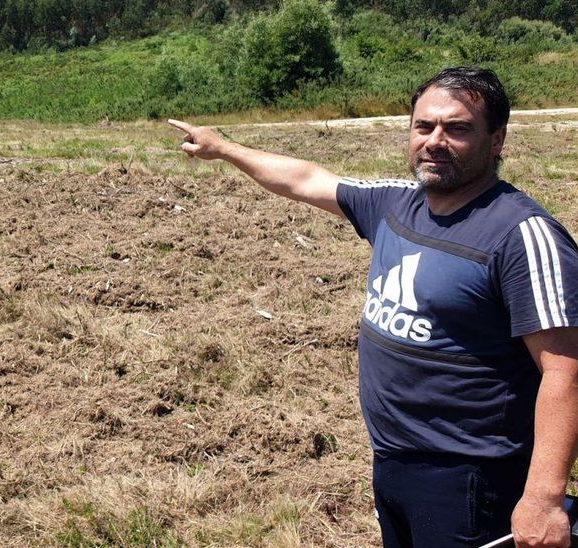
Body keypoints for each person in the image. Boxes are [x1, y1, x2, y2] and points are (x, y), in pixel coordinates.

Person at [168, 66, 578, 547]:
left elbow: (565, 371)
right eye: (424, 126)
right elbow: (305, 179)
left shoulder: (521, 235)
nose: (435, 141)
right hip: (393, 458)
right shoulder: (395, 203)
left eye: (458, 128)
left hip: (472, 475)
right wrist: (225, 148)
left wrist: (544, 499)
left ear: (497, 140)